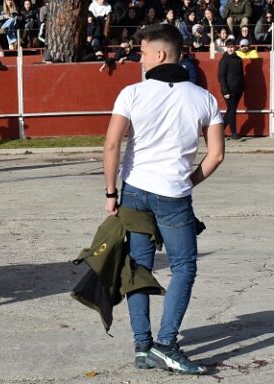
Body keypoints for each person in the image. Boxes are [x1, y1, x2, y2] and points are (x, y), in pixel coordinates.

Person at [103, 24, 224, 375]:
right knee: (184, 267)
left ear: (159, 55)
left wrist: (111, 194)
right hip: (173, 193)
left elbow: (112, 145)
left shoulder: (132, 94)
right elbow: (215, 155)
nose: (139, 59)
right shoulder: (204, 98)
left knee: (138, 268)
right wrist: (188, 181)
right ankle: (166, 344)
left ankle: (143, 347)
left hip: (135, 191)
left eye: (141, 53)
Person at [218, 39, 245, 140]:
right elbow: (221, 76)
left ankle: (220, 131)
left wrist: (242, 87)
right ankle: (234, 133)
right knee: (232, 111)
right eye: (229, 47)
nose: (230, 49)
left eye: (232, 47)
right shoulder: (224, 60)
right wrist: (225, 91)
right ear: (226, 48)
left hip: (237, 89)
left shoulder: (238, 59)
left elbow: (241, 75)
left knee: (230, 110)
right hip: (229, 90)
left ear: (235, 47)